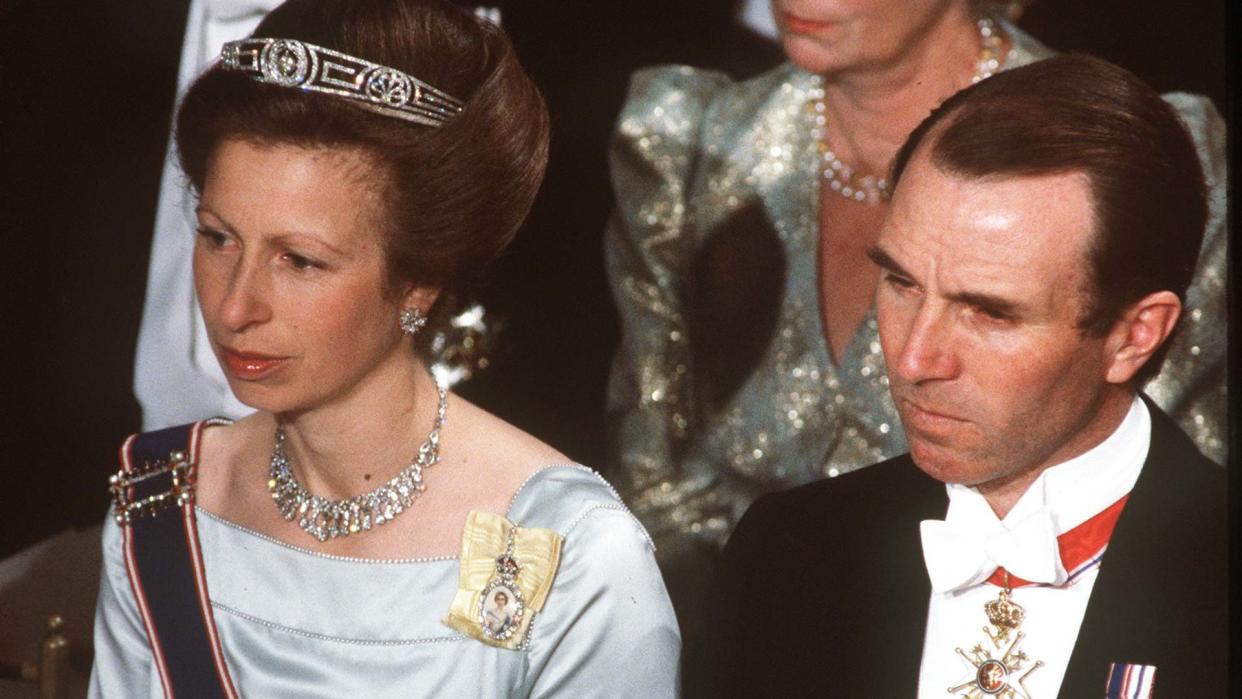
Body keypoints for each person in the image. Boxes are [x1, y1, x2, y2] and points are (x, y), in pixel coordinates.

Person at [89, 1, 679, 696]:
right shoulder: (167, 506)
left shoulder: (569, 552)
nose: (234, 306)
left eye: (300, 260)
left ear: (419, 282)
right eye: (219, 237)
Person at [604, 0, 1227, 619]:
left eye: (989, 311)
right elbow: (650, 479)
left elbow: (1175, 507)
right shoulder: (691, 141)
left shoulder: (1130, 163)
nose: (911, 358)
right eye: (898, 282)